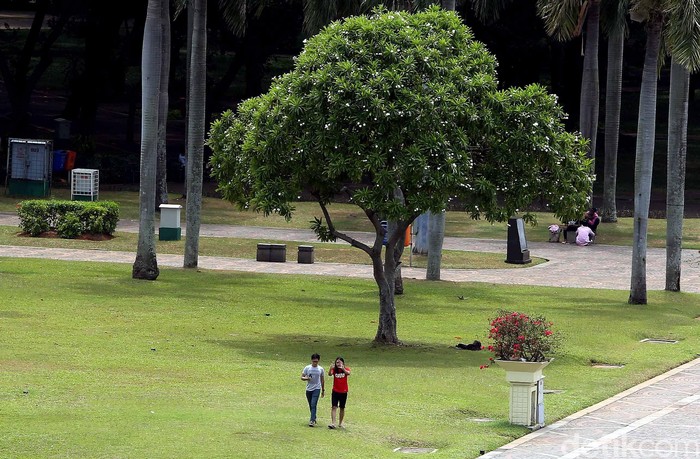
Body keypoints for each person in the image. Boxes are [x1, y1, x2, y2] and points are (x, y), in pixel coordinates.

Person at [301, 353, 325, 427]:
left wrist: (323, 390)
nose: (315, 363)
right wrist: (307, 378)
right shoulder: (307, 368)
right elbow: (302, 377)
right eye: (314, 361)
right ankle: (314, 417)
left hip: (317, 388)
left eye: (316, 361)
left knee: (313, 404)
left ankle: (312, 420)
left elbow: (322, 380)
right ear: (311, 360)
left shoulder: (320, 369)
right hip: (309, 389)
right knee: (310, 405)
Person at [328, 356, 351, 429]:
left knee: (342, 407)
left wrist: (343, 368)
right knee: (334, 407)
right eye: (337, 362)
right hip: (335, 391)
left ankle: (340, 423)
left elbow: (348, 373)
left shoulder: (346, 369)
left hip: (343, 391)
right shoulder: (334, 370)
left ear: (343, 363)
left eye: (340, 362)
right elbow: (330, 374)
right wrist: (330, 368)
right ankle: (333, 423)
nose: (338, 364)